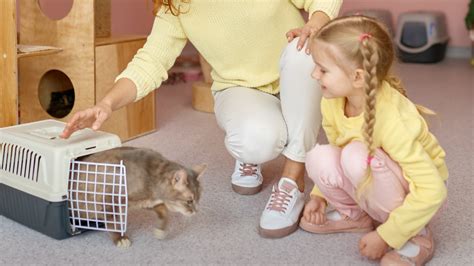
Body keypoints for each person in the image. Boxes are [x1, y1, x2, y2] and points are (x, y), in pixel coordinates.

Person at [60, 0, 343, 238]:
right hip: (239, 87)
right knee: (257, 140)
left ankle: (292, 180)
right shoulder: (177, 6)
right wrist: (106, 103)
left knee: (304, 52)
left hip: (295, 69)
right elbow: (150, 61)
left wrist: (315, 23)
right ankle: (248, 155)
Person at [300, 15, 448, 265]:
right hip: (373, 177)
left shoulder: (392, 118)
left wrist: (387, 235)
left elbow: (433, 190)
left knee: (355, 155)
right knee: (319, 156)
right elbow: (336, 151)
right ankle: (355, 215)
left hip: (416, 194)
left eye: (323, 69)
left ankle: (415, 233)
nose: (314, 74)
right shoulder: (332, 101)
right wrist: (320, 196)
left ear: (358, 77)